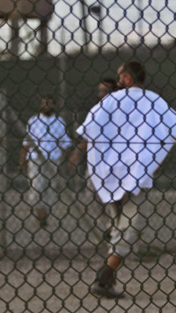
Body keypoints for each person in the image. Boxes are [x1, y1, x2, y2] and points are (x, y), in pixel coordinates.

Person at [76, 61, 176, 298]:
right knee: (128, 229)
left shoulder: (110, 102)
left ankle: (107, 278)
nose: (118, 81)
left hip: (107, 176)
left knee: (120, 227)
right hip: (137, 176)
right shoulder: (154, 101)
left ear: (128, 78)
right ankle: (105, 275)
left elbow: (87, 130)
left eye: (120, 76)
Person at [69, 77, 118, 240]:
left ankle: (114, 227)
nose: (100, 95)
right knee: (90, 196)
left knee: (113, 198)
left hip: (115, 162)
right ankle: (108, 225)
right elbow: (88, 137)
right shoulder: (97, 112)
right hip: (96, 161)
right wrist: (76, 154)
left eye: (104, 91)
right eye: (100, 91)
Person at [20, 95, 71, 226]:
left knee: (50, 189)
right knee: (36, 188)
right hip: (36, 159)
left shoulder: (59, 121)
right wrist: (22, 158)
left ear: (54, 105)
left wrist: (68, 160)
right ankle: (39, 213)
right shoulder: (34, 121)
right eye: (44, 103)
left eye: (49, 103)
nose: (46, 106)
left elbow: (65, 143)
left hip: (53, 159)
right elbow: (27, 141)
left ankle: (45, 215)